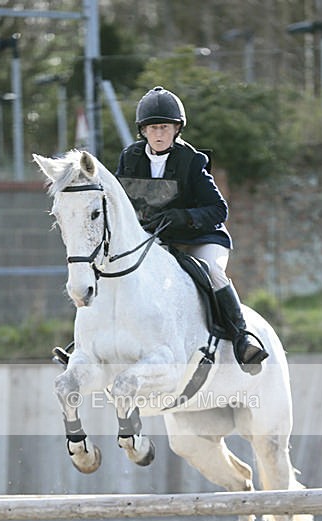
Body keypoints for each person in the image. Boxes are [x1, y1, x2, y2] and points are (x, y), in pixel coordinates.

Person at [116, 85, 268, 373]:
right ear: (143, 132)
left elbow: (218, 210)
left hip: (200, 238)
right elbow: (119, 202)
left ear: (176, 129)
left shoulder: (192, 160)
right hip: (158, 241)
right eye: (152, 128)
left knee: (213, 270)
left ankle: (241, 337)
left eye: (164, 127)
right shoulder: (130, 158)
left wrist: (183, 217)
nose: (159, 134)